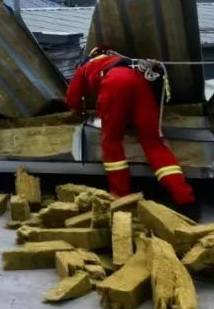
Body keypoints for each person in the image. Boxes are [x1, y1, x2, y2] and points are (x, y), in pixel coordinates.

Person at [66, 44, 199, 220]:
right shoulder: (125, 61)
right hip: (139, 84)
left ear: (92, 54)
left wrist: (79, 111)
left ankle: (121, 197)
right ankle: (185, 200)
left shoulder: (86, 66)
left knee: (112, 141)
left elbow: (72, 99)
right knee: (153, 143)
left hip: (113, 85)